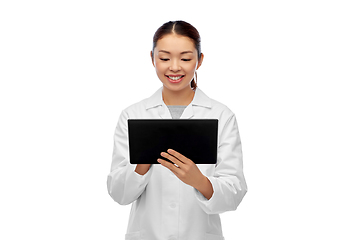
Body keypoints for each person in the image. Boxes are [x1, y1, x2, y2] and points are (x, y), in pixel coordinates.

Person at [107, 20, 247, 240]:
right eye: (164, 58)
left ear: (199, 61)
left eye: (185, 58)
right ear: (152, 58)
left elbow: (235, 192)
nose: (174, 66)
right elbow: (118, 194)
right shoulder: (133, 115)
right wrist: (142, 162)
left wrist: (199, 180)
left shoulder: (221, 115)